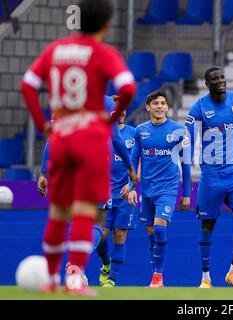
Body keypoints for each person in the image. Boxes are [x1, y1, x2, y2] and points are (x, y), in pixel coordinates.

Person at [20, 0, 136, 296]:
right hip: (90, 141)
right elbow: (128, 87)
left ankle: (49, 279)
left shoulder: (55, 50)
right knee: (87, 211)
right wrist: (108, 120)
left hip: (60, 139)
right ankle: (74, 276)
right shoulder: (102, 53)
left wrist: (43, 122)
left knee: (58, 212)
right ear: (107, 24)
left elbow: (28, 85)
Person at [37, 96, 135, 288]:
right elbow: (116, 138)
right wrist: (130, 167)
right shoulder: (105, 102)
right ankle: (76, 266)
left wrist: (42, 172)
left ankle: (65, 270)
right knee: (98, 223)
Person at [185, 66, 233, 289]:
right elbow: (189, 140)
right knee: (207, 226)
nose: (220, 81)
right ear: (207, 84)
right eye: (215, 78)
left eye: (222, 77)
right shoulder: (198, 108)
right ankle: (205, 278)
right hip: (211, 176)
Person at [128, 90, 191, 288]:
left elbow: (186, 164)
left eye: (163, 103)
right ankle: (157, 277)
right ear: (148, 107)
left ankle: (158, 276)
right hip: (147, 189)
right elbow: (133, 160)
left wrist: (187, 193)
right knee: (150, 234)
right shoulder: (140, 131)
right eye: (156, 103)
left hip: (168, 188)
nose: (160, 106)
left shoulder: (179, 131)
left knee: (159, 229)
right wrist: (131, 187)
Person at [98, 96, 137, 288]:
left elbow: (141, 164)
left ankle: (112, 279)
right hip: (103, 192)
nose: (120, 113)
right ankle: (106, 263)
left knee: (119, 234)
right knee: (101, 235)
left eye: (123, 109)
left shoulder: (134, 134)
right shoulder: (103, 133)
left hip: (123, 195)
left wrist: (131, 185)